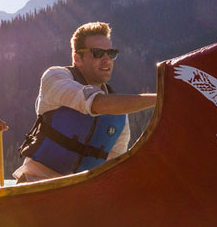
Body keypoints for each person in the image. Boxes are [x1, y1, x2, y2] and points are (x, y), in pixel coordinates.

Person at [14, 22, 157, 183]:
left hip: (81, 196)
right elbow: (96, 103)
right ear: (77, 58)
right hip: (35, 184)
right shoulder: (54, 78)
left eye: (111, 53)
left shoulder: (120, 116)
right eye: (97, 53)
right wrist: (161, 98)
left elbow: (115, 167)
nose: (106, 60)